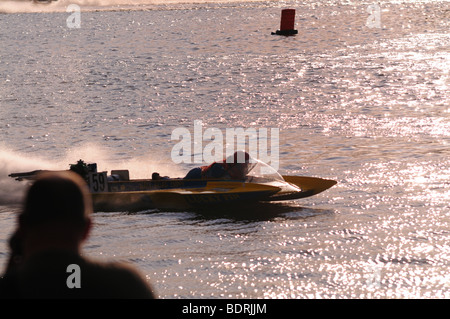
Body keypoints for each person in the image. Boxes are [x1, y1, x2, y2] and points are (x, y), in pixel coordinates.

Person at [0, 171, 155, 299]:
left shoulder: (9, 288)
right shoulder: (126, 284)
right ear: (88, 228)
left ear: (21, 226)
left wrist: (12, 267)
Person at [184, 151, 252, 180]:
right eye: (245, 163)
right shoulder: (219, 169)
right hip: (196, 175)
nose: (246, 165)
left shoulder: (235, 168)